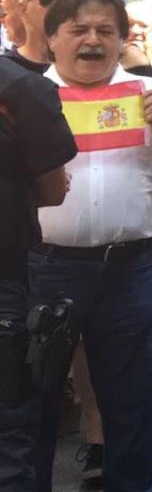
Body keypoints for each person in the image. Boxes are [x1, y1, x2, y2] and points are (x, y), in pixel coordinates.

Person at [31, 0, 152, 492]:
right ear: (51, 41)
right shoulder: (27, 99)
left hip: (132, 269)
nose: (92, 41)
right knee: (30, 400)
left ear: (123, 39)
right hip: (43, 268)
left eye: (105, 31)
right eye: (78, 30)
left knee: (136, 403)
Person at [0, 55, 77, 489]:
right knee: (9, 440)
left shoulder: (22, 90)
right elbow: (52, 189)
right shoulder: (23, 87)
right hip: (6, 276)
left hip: (6, 284)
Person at [5, 0, 67, 74]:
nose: (61, 8)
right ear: (23, 9)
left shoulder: (84, 72)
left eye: (68, 2)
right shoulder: (5, 69)